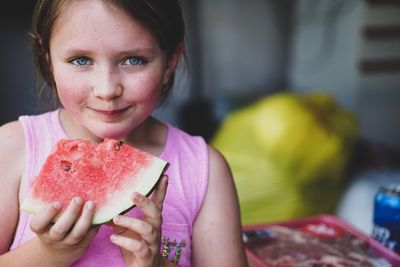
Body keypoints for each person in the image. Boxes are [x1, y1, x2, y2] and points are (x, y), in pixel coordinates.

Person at [0, 0, 247, 266]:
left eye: (133, 60)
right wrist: (48, 254)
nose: (106, 90)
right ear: (47, 58)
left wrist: (159, 265)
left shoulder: (204, 169)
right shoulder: (13, 147)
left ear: (170, 62)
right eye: (80, 60)